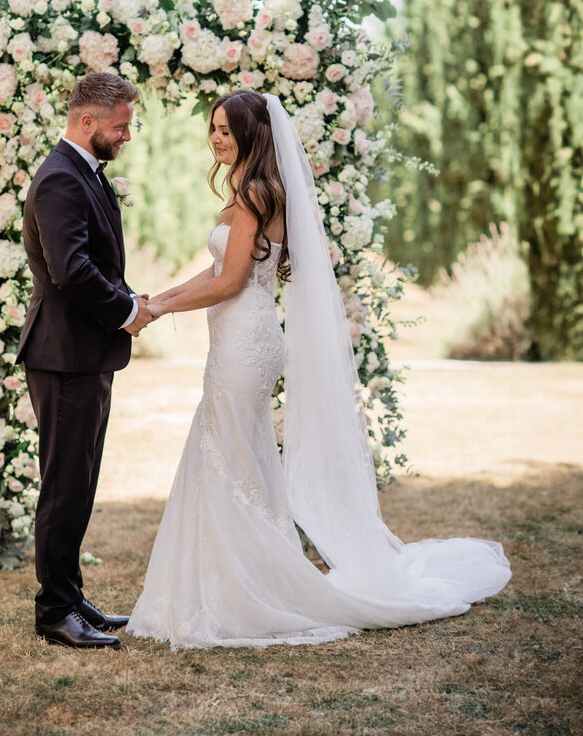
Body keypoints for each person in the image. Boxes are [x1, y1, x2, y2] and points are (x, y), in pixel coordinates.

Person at [127, 90, 511, 649]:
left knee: (233, 461)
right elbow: (214, 271)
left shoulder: (256, 193)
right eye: (213, 129)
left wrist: (157, 309)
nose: (216, 139)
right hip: (242, 338)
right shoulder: (251, 190)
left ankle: (251, 591)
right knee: (239, 458)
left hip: (244, 341)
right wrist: (155, 299)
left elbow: (230, 282)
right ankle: (236, 583)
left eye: (227, 131)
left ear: (252, 136)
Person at [16, 72, 154, 650]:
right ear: (87, 121)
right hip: (64, 355)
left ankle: (71, 597)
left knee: (80, 481)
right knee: (64, 487)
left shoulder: (81, 173)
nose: (127, 135)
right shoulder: (59, 180)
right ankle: (54, 613)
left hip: (83, 353)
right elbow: (71, 271)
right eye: (120, 125)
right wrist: (127, 310)